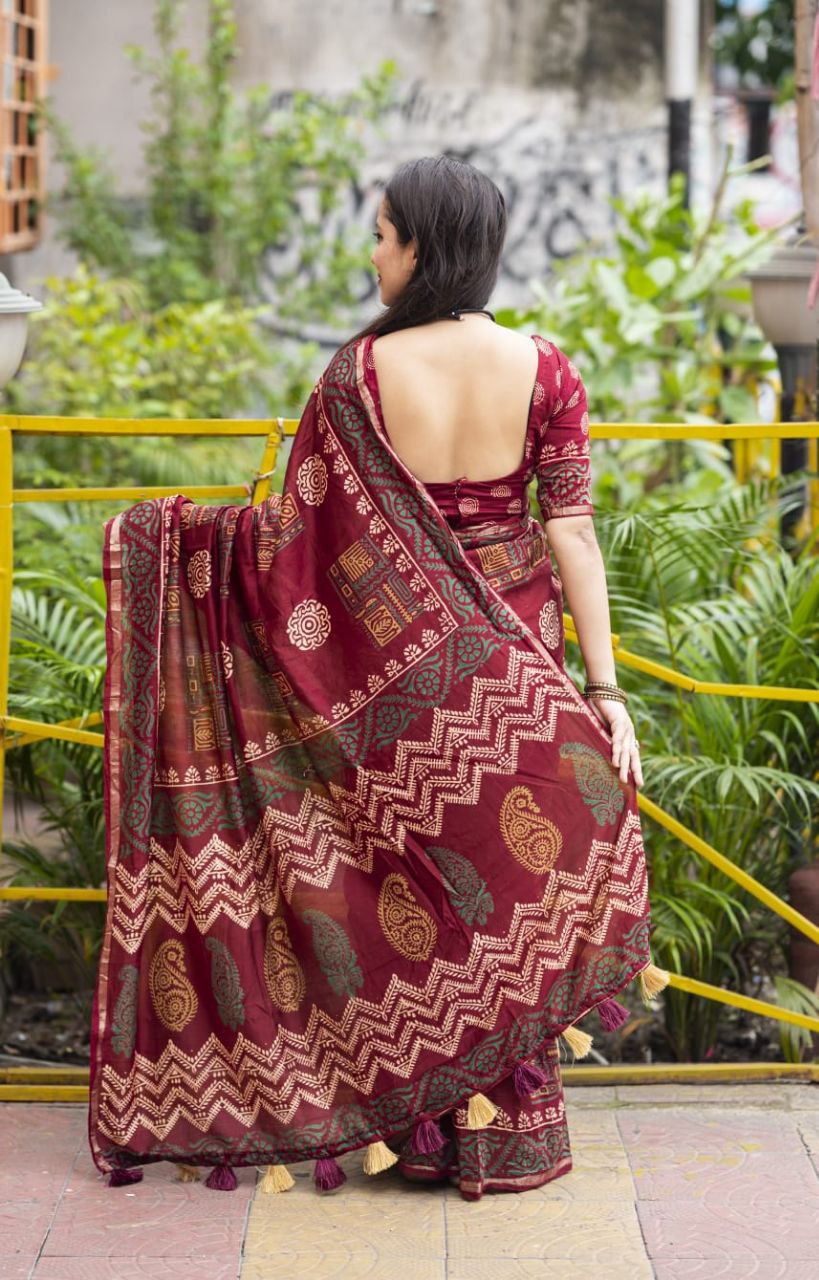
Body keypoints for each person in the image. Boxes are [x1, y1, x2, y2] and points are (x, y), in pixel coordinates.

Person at [88, 154, 666, 1203]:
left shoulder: (356, 377)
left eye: (381, 235)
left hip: (393, 668)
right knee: (505, 885)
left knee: (421, 892)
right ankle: (508, 1134)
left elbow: (292, 547)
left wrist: (173, 542)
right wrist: (605, 689)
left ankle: (426, 1130)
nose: (372, 255)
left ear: (420, 247)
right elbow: (572, 533)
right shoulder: (546, 369)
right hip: (516, 655)